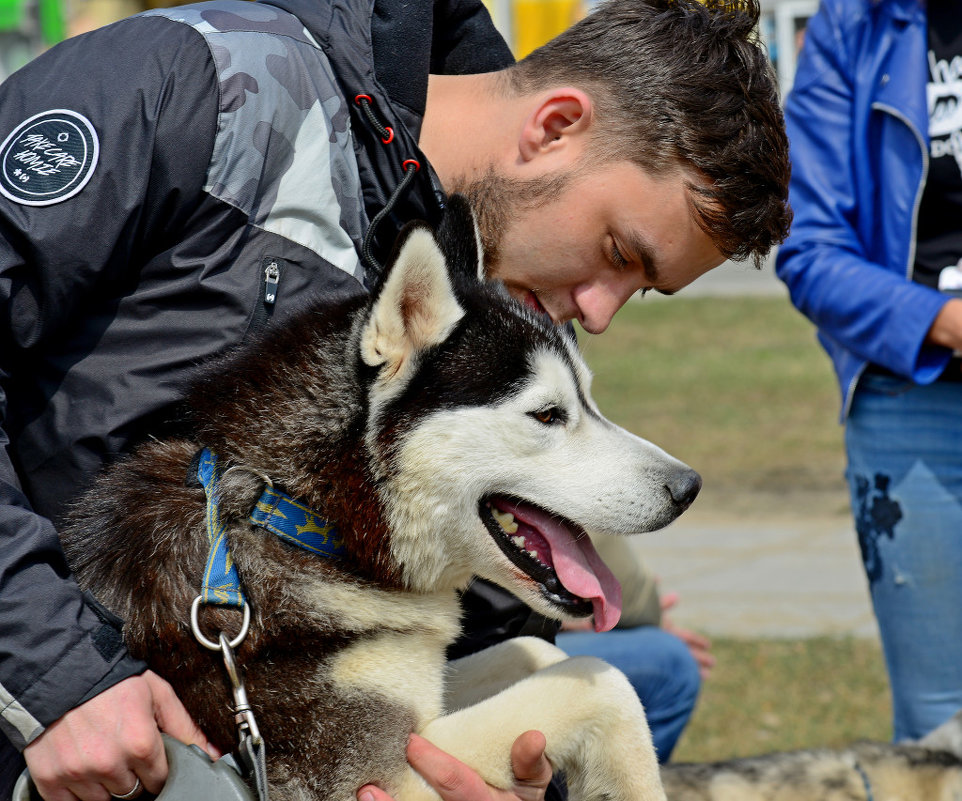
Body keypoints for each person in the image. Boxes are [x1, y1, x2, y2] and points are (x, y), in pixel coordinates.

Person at [0, 0, 791, 798]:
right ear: (555, 125)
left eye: (640, 290)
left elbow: (468, 623)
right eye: (617, 251)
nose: (600, 309)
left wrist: (505, 769)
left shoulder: (510, 302)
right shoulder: (206, 88)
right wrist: (60, 678)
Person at [775, 0, 962, 743]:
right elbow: (809, 246)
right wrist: (941, 322)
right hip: (909, 397)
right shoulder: (857, 23)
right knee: (937, 731)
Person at [555, 534, 714, 763]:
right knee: (669, 662)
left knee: (659, 650)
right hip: (496, 644)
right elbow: (633, 598)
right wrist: (644, 614)